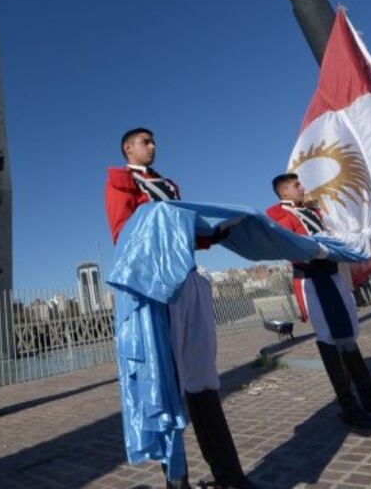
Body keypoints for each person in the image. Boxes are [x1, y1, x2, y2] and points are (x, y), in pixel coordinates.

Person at [105, 128, 255, 489]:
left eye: (155, 141)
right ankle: (178, 482)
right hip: (156, 292)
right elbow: (124, 235)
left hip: (186, 280)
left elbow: (184, 234)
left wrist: (215, 233)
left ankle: (229, 476)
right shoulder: (121, 183)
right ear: (128, 148)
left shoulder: (169, 185)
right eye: (145, 142)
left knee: (202, 380)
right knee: (164, 384)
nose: (153, 146)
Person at [266, 173, 371, 430]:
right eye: (297, 185)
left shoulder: (312, 212)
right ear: (284, 192)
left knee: (348, 334)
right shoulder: (277, 214)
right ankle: (348, 405)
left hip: (331, 274)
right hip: (312, 279)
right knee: (330, 337)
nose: (303, 187)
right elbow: (291, 245)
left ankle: (369, 395)